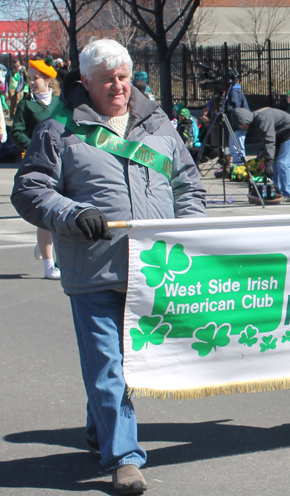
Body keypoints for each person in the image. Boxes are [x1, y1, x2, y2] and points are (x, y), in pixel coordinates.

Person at [11, 38, 206, 494]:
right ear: (86, 83)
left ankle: (103, 428)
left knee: (127, 365)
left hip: (154, 270)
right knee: (106, 365)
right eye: (106, 81)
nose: (118, 87)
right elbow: (30, 190)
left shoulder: (158, 123)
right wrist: (74, 214)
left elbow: (188, 184)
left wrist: (190, 231)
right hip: (93, 269)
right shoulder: (60, 128)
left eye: (123, 77)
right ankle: (124, 458)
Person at [10, 59, 61, 280]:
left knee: (61, 211)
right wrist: (32, 145)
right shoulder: (26, 104)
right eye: (29, 78)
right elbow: (17, 131)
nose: (31, 82)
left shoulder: (61, 103)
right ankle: (50, 266)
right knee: (46, 212)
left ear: (48, 79)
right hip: (38, 164)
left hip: (62, 163)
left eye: (35, 78)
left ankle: (45, 246)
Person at [232, 107, 290, 202]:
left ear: (245, 120)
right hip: (280, 135)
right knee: (274, 164)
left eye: (242, 124)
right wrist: (267, 159)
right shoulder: (255, 121)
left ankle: (288, 194)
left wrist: (268, 161)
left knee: (283, 163)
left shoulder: (262, 120)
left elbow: (269, 141)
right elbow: (267, 141)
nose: (242, 127)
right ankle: (278, 192)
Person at [225, 82, 250, 165]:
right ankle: (237, 166)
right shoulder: (234, 92)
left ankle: (240, 167)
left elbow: (235, 109)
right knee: (234, 149)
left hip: (237, 124)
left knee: (237, 148)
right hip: (236, 124)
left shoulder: (234, 93)